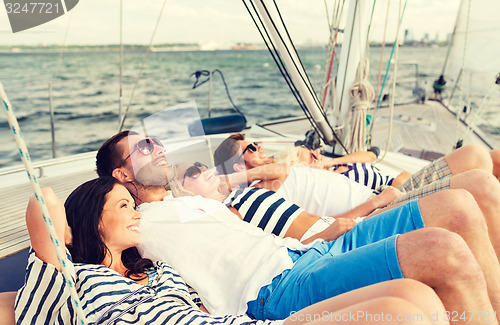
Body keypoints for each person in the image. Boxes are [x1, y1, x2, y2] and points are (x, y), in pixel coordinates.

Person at [95, 130, 500, 322]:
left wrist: (333, 229)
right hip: (273, 288)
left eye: (157, 140)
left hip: (305, 252)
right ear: (121, 174)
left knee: (458, 204)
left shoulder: (195, 202)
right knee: (441, 251)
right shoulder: (132, 223)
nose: (160, 148)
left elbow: (251, 216)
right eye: (144, 147)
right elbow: (63, 237)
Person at [14, 178, 450, 325]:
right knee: (404, 313)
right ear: (90, 222)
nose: (137, 214)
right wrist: (70, 237)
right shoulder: (74, 280)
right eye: (124, 206)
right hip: (267, 297)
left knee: (417, 299)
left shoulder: (157, 269)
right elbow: (44, 200)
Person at [214, 133, 500, 256]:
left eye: (256, 142)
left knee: (481, 155)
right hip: (380, 210)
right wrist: (376, 201)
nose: (259, 147)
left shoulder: (285, 169)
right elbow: (324, 225)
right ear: (239, 166)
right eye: (251, 148)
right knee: (480, 183)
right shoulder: (263, 190)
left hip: (386, 195)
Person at [274, 145, 411, 189]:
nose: (318, 152)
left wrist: (331, 162)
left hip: (403, 180)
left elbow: (370, 156)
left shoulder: (336, 165)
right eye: (312, 156)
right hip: (399, 188)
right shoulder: (333, 183)